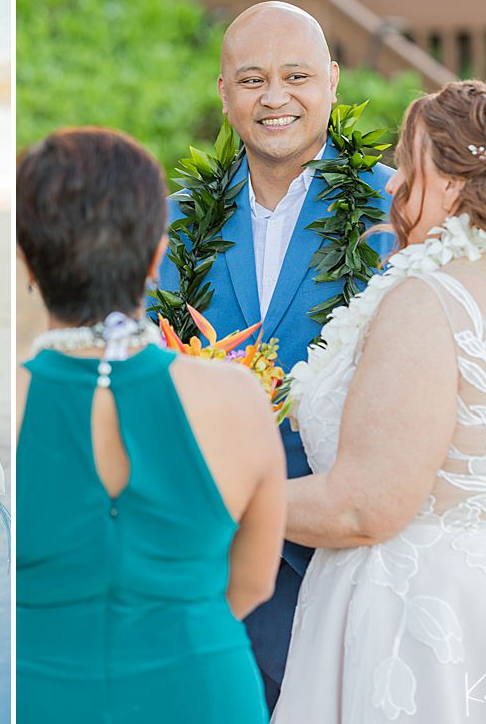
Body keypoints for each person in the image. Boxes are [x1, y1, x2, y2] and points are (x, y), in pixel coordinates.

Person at [274, 81, 486, 722]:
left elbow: (363, 507)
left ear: (454, 184)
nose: (396, 182)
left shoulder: (431, 299)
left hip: (420, 617)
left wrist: (213, 489)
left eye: (412, 163)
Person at [156, 1, 395, 709]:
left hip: (345, 554)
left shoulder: (394, 210)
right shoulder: (172, 223)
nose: (275, 97)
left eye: (296, 75)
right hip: (208, 563)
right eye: (253, 79)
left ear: (332, 80)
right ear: (224, 93)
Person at [16, 127, 285, 724]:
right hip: (205, 690)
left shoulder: (3, 413)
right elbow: (252, 585)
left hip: (42, 695)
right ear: (157, 256)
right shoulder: (237, 398)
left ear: (28, 258)